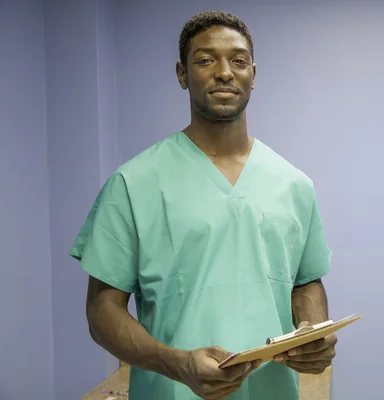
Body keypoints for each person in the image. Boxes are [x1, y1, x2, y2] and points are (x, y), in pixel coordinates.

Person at [70, 9, 336, 400]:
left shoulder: (294, 184)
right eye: (206, 60)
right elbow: (102, 311)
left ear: (254, 75)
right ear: (182, 74)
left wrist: (312, 332)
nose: (225, 72)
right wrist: (174, 362)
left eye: (239, 60)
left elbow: (305, 281)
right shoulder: (135, 182)